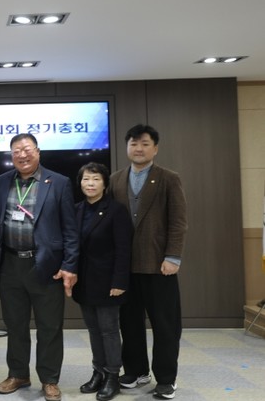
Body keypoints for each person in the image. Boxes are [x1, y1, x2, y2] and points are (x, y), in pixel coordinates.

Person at [0, 133, 79, 401]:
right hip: (10, 264)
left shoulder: (58, 182)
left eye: (27, 149)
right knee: (15, 324)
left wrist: (69, 265)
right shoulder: (2, 181)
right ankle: (18, 373)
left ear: (38, 152)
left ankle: (49, 379)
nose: (22, 155)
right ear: (11, 156)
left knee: (49, 327)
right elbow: (1, 213)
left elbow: (70, 229)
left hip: (45, 265)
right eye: (16, 151)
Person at [108, 124, 187, 400]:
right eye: (133, 143)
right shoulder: (116, 179)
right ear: (126, 147)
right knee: (129, 324)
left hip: (159, 265)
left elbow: (178, 221)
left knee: (165, 325)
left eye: (144, 143)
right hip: (125, 267)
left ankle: (166, 379)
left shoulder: (168, 178)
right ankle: (136, 371)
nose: (138, 148)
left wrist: (173, 256)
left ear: (155, 148)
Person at [72, 162, 132, 401]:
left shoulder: (116, 210)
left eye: (96, 179)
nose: (90, 184)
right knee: (94, 330)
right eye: (86, 179)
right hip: (84, 282)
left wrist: (120, 281)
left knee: (109, 330)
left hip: (108, 282)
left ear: (105, 184)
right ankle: (98, 371)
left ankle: (112, 376)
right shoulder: (76, 209)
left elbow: (124, 249)